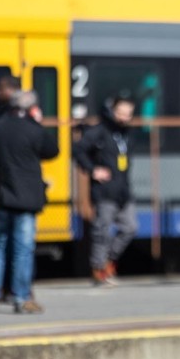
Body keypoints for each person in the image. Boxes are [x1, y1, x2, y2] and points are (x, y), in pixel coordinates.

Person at [0, 90, 58, 313]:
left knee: (0, 245)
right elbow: (52, 151)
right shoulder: (33, 129)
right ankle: (21, 297)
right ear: (33, 108)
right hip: (25, 198)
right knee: (23, 249)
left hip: (1, 196)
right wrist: (38, 122)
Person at [73, 96, 137, 286]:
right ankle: (99, 268)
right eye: (121, 113)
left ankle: (109, 258)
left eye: (128, 114)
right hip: (104, 190)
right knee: (102, 230)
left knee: (130, 228)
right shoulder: (100, 131)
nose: (124, 117)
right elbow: (78, 150)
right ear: (112, 111)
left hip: (123, 190)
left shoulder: (126, 133)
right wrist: (93, 170)